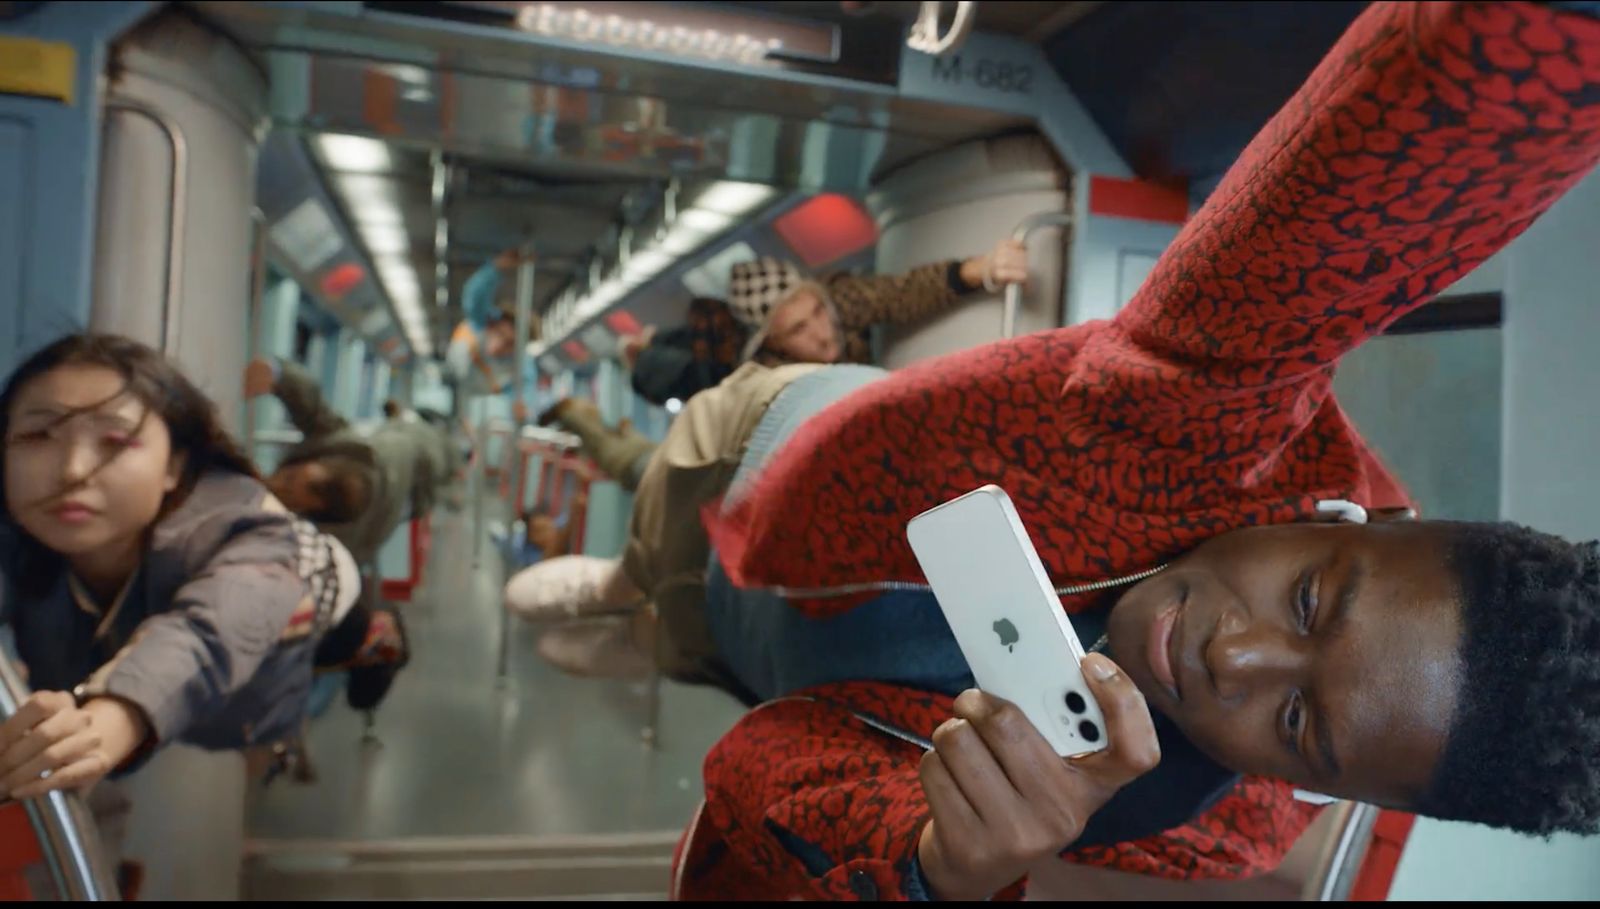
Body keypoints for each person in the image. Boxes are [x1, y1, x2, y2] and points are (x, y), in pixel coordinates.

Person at [546, 1, 1600, 899]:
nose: (1232, 657)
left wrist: (931, 866)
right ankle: (620, 577)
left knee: (672, 633)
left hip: (754, 661)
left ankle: (635, 610)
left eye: (1294, 719)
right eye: (1312, 602)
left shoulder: (1195, 820)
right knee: (648, 515)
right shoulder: (1210, 413)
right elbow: (1368, 182)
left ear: (1330, 788)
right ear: (1340, 518)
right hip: (749, 451)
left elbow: (755, 778)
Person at [0, 334, 356, 803]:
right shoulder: (21, 527)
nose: (72, 470)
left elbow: (206, 635)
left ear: (174, 466)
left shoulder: (244, 529)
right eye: (37, 435)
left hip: (320, 587)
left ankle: (379, 647)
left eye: (114, 441)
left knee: (331, 651)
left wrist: (112, 720)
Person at [535, 241, 1031, 493]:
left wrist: (979, 270)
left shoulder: (836, 304)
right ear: (772, 343)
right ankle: (575, 414)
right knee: (645, 471)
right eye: (798, 330)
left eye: (816, 312)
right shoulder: (765, 387)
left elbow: (897, 294)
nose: (821, 332)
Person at [242, 356, 459, 709]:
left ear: (314, 506)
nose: (277, 482)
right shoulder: (342, 447)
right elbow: (312, 407)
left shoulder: (336, 545)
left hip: (419, 470)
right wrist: (278, 375)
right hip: (399, 448)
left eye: (289, 485)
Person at [448, 248, 540, 421]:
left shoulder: (521, 366)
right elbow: (474, 296)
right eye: (500, 335)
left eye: (509, 345)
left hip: (482, 413)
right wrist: (496, 268)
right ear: (493, 324)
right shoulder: (480, 321)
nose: (499, 346)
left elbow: (524, 397)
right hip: (457, 395)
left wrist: (523, 412)